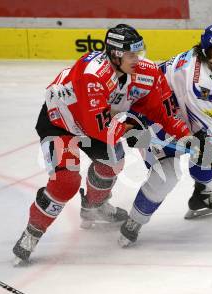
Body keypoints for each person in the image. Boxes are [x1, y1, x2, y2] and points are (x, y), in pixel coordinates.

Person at [13, 24, 190, 265]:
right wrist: (129, 129)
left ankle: (94, 206)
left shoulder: (144, 72)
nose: (137, 59)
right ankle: (32, 231)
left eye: (139, 53)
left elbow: (161, 112)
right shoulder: (93, 74)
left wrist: (185, 135)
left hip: (99, 125)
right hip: (62, 125)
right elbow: (97, 128)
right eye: (131, 55)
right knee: (66, 183)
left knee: (113, 163)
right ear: (115, 55)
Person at [118, 23, 212, 247]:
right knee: (168, 174)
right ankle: (134, 222)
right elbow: (211, 131)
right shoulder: (197, 80)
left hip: (186, 113)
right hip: (152, 118)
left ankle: (202, 193)